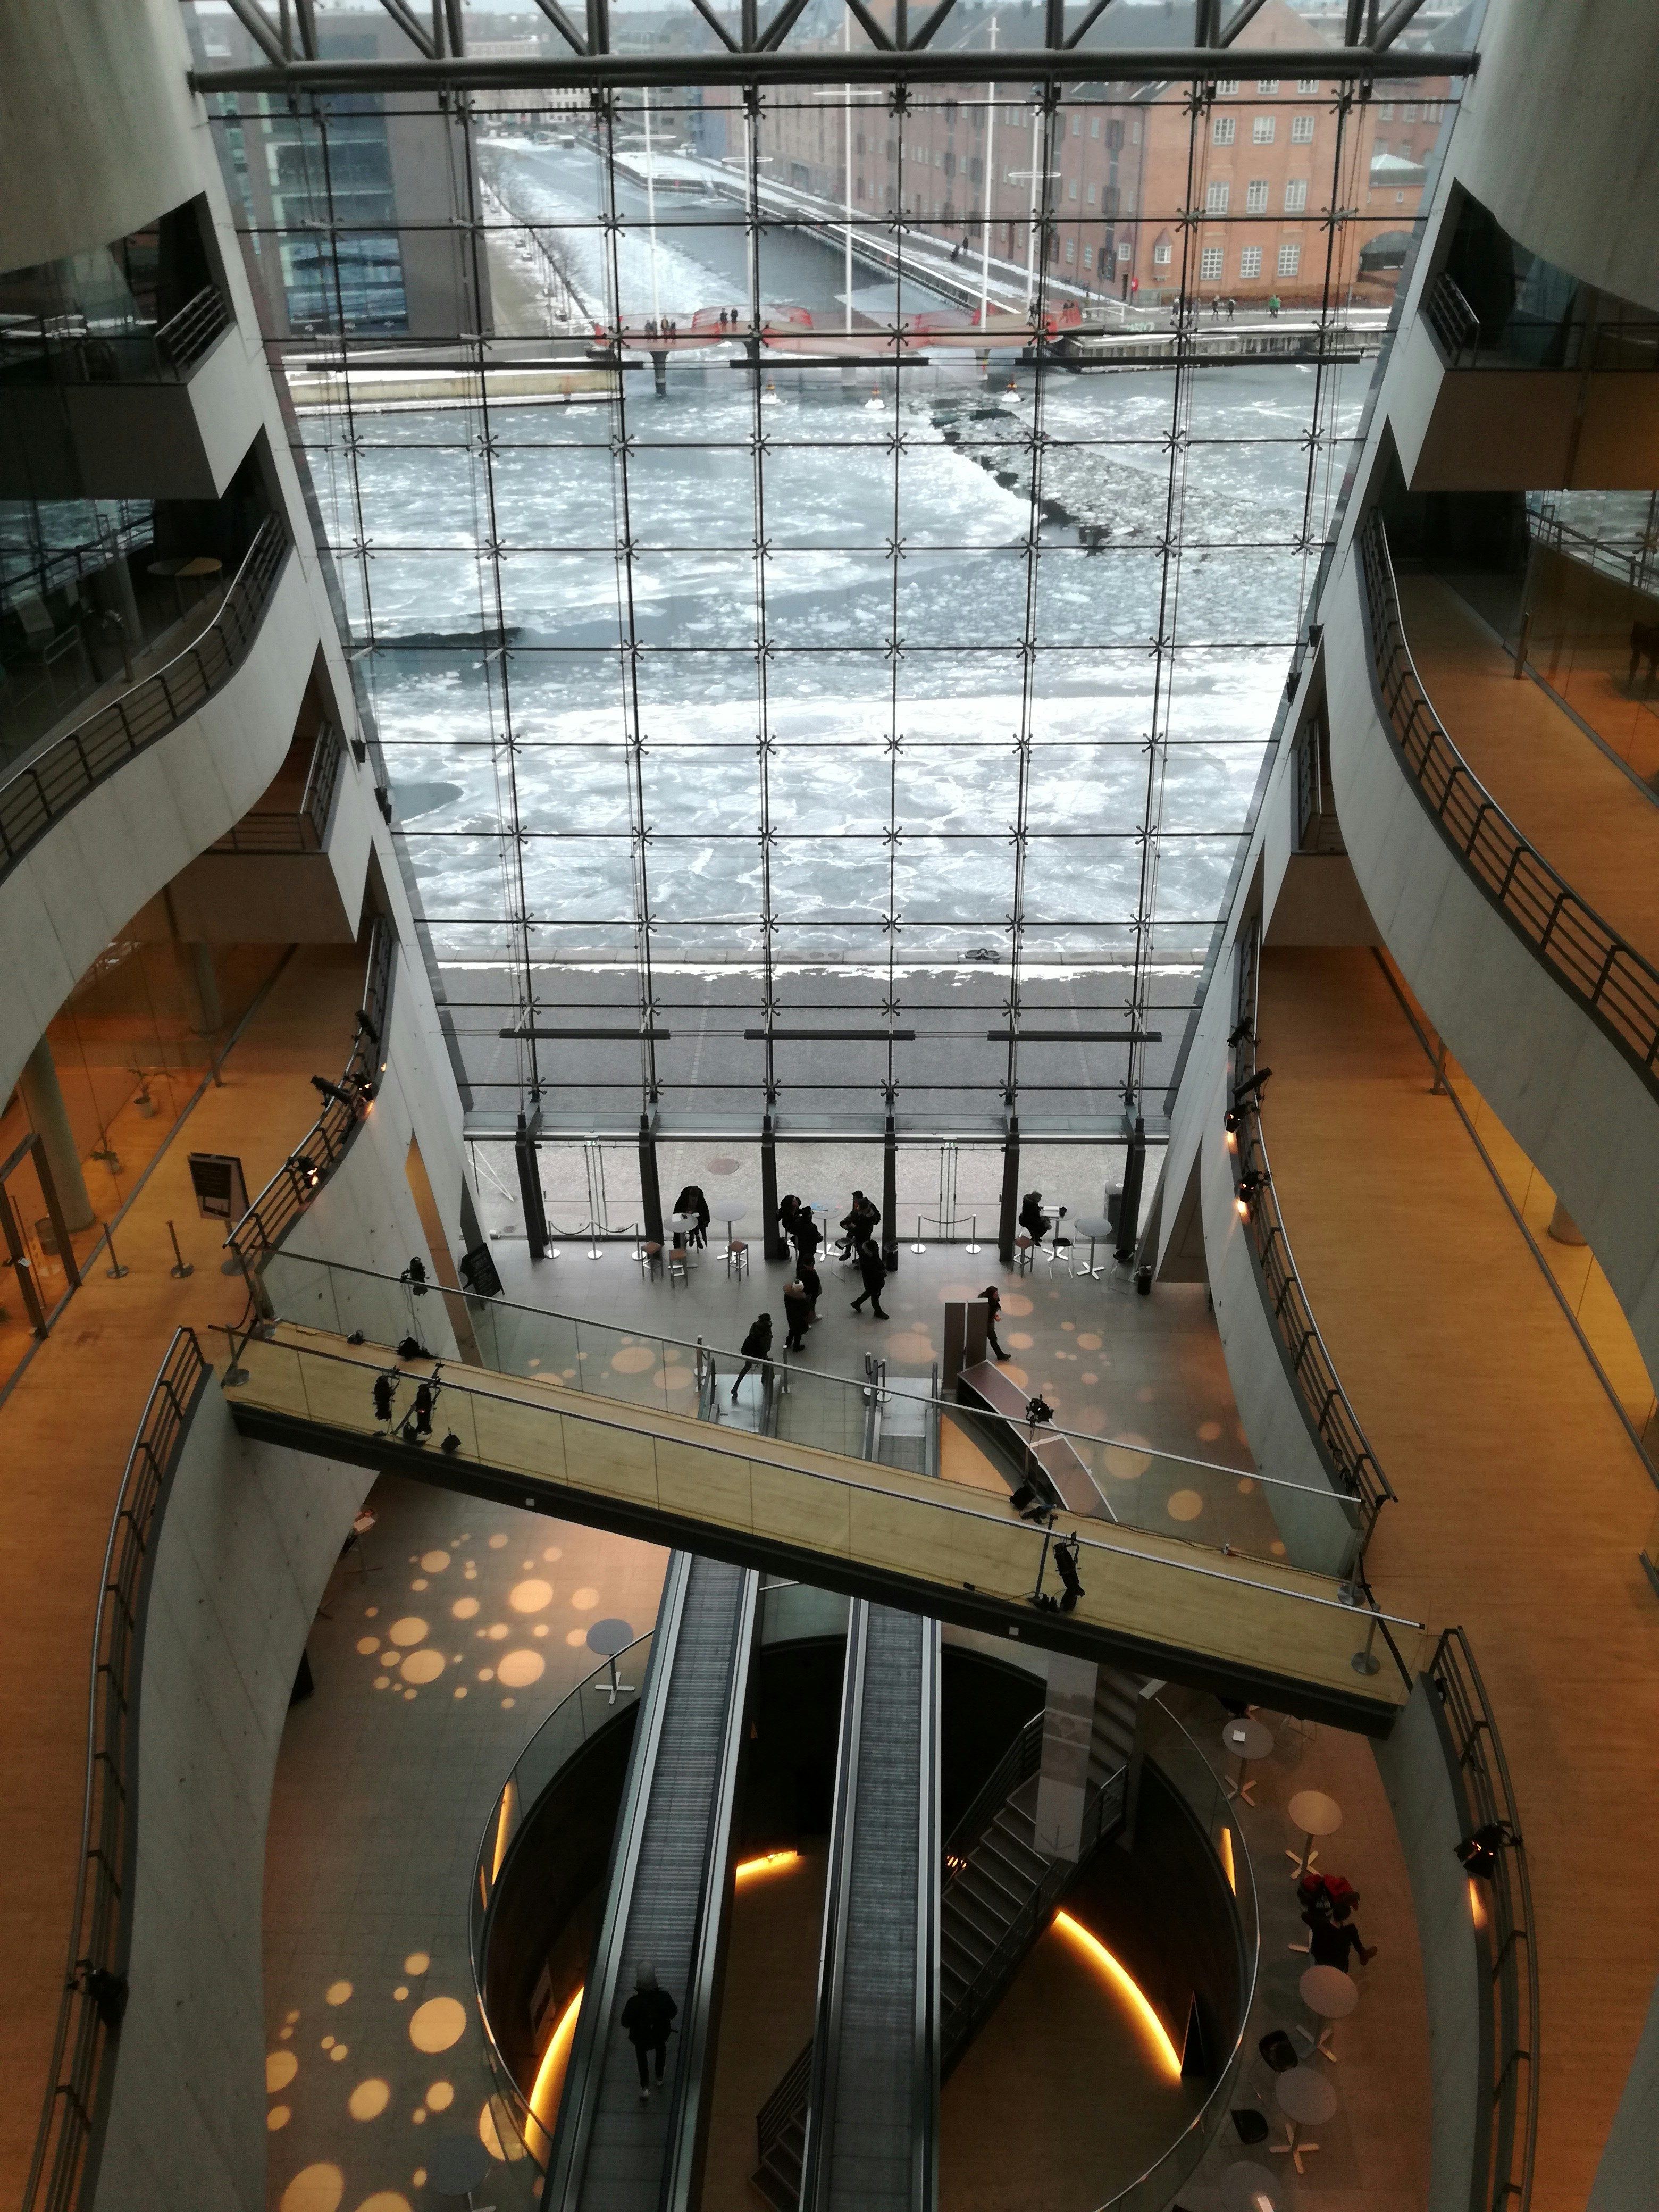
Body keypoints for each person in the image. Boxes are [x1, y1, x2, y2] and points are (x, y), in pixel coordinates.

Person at [620, 1964, 677, 2099]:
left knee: (641, 2058)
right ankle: (659, 2076)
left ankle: (645, 2086)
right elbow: (674, 2012)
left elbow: (624, 2023)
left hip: (640, 2038)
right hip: (661, 2034)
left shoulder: (633, 2002)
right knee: (661, 2051)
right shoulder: (664, 1997)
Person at [731, 1312, 774, 1399]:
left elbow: (751, 1334)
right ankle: (764, 1379)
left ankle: (736, 1386)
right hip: (759, 1353)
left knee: (746, 1368)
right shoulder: (767, 1333)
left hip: (749, 1350)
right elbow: (767, 1348)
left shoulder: (755, 1325)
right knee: (768, 1363)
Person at [850, 1237, 890, 1320]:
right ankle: (878, 1312)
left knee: (869, 1293)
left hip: (873, 1281)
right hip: (873, 1281)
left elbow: (878, 1260)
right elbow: (873, 1272)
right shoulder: (867, 1260)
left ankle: (857, 1303)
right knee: (875, 1297)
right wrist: (883, 1274)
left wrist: (883, 1268)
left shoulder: (870, 1254)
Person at [839, 1189, 879, 1258]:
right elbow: (854, 1213)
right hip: (859, 1225)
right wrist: (847, 1221)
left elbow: (873, 1222)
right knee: (850, 1235)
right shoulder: (857, 1204)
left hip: (865, 1229)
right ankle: (848, 1252)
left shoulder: (867, 1207)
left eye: (854, 1198)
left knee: (861, 1242)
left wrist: (854, 1226)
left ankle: (860, 1257)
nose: (853, 1200)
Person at [673, 1183, 710, 1249]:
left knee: (698, 1222)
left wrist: (706, 1221)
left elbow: (704, 1209)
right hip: (685, 1214)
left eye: (695, 1200)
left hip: (696, 1214)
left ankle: (696, 1237)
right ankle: (692, 1236)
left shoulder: (700, 1199)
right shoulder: (683, 1199)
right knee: (688, 1223)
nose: (693, 1202)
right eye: (692, 1200)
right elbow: (678, 1209)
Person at [980, 1284, 1009, 1361]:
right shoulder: (988, 1305)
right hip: (986, 1326)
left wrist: (994, 1316)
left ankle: (966, 1350)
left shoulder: (987, 1300)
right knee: (993, 1339)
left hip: (984, 1324)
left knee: (977, 1337)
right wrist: (995, 1317)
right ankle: (1000, 1355)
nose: (997, 1296)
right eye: (995, 1294)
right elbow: (987, 1315)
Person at [783, 1278, 811, 1351]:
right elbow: (805, 1312)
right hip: (799, 1320)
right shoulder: (801, 1301)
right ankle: (796, 1346)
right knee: (798, 1333)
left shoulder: (787, 1295)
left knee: (792, 1330)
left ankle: (788, 1343)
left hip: (791, 1317)